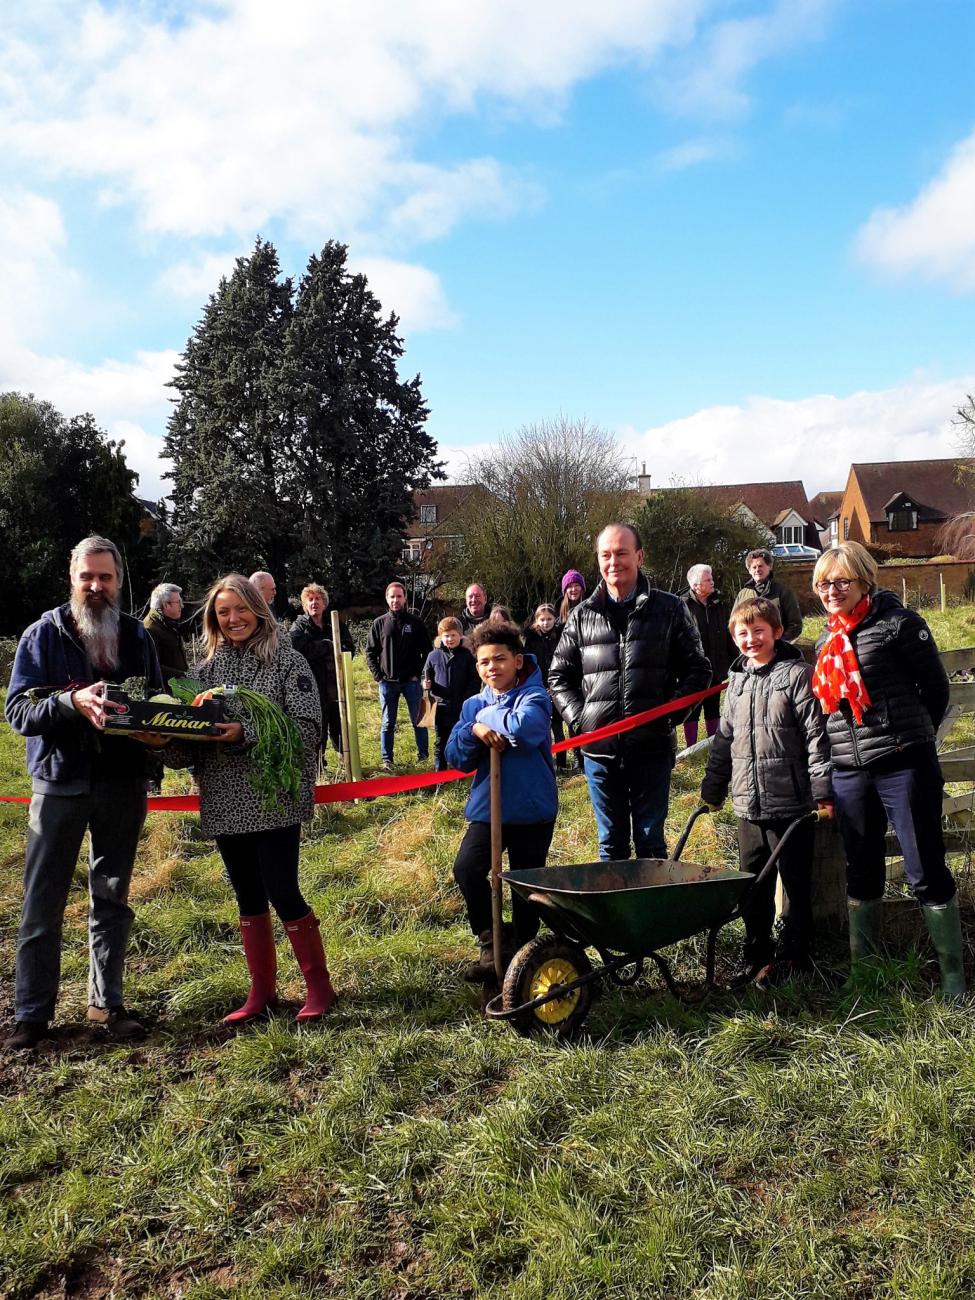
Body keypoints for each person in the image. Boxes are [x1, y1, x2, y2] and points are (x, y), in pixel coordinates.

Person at [3, 536, 164, 1052]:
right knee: (42, 902)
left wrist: (158, 734)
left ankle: (107, 1003)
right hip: (59, 782)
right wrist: (71, 702)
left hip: (122, 784)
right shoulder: (41, 636)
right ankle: (31, 1013)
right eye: (87, 577)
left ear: (119, 581)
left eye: (106, 578)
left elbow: (157, 705)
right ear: (72, 579)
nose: (96, 587)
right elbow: (19, 712)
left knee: (112, 899)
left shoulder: (138, 636)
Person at [160, 574, 334, 1024]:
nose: (233, 619)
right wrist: (160, 739)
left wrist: (245, 733)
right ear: (213, 619)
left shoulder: (287, 664)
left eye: (241, 609)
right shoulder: (200, 674)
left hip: (272, 796)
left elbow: (307, 731)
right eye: (223, 612)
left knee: (282, 888)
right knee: (247, 896)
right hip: (222, 798)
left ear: (258, 609)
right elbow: (185, 749)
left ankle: (319, 987)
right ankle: (262, 992)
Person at [810, 542, 965, 997]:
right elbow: (827, 713)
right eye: (823, 583)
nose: (831, 590)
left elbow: (936, 691)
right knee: (861, 867)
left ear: (864, 581)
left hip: (903, 765)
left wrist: (911, 738)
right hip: (849, 770)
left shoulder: (900, 626)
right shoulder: (825, 641)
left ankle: (953, 977)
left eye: (841, 581)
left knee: (923, 867)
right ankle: (867, 973)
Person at [549, 523, 711, 861]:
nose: (613, 562)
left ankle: (649, 913)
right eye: (605, 555)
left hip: (651, 749)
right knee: (611, 844)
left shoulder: (669, 609)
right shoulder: (581, 617)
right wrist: (582, 721)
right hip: (599, 753)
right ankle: (617, 914)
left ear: (639, 556)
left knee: (651, 842)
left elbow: (699, 670)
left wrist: (669, 716)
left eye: (621, 553)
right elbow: (558, 676)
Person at [701, 598, 833, 986]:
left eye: (759, 630)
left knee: (794, 883)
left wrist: (822, 792)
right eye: (743, 633)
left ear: (777, 631)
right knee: (753, 884)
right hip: (748, 803)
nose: (751, 639)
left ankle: (795, 955)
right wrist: (713, 787)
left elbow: (817, 737)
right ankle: (755, 951)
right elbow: (723, 740)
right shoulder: (737, 683)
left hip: (791, 802)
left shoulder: (797, 676)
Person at [445, 621, 557, 981]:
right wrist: (472, 731)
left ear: (518, 661)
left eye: (500, 659)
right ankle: (492, 940)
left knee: (526, 884)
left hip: (531, 809)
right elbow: (456, 757)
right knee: (467, 868)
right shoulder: (472, 704)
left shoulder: (536, 697)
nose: (492, 667)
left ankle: (524, 953)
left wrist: (483, 718)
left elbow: (525, 730)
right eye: (483, 662)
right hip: (488, 809)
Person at [365, 581, 432, 772]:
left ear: (405, 598)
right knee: (388, 723)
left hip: (411, 683)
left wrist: (418, 675)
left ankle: (423, 757)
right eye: (392, 596)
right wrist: (379, 676)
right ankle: (387, 760)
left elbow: (427, 652)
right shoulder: (379, 623)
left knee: (419, 721)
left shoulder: (415, 623)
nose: (395, 600)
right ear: (387, 599)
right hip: (388, 683)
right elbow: (369, 652)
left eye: (399, 596)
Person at [289, 584, 355, 765]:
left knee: (340, 726)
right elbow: (297, 650)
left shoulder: (335, 624)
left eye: (317, 599)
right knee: (317, 728)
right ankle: (318, 767)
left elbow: (349, 648)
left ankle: (346, 762)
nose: (314, 603)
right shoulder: (299, 626)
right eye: (310, 600)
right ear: (304, 605)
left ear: (324, 603)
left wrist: (335, 649)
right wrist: (326, 646)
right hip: (311, 687)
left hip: (335, 686)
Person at [681, 564, 735, 747]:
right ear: (696, 585)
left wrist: (734, 660)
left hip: (716, 666)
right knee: (692, 710)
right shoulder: (682, 605)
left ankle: (713, 744)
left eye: (711, 578)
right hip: (691, 669)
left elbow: (729, 633)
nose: (712, 582)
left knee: (713, 708)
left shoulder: (719, 603)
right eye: (708, 580)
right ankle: (691, 748)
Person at [422, 617, 480, 771]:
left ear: (460, 635)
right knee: (440, 740)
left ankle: (458, 770)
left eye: (453, 635)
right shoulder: (433, 656)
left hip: (461, 706)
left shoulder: (467, 655)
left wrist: (466, 699)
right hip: (441, 706)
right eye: (446, 635)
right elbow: (426, 675)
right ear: (440, 637)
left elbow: (475, 680)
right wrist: (426, 683)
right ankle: (440, 773)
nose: (450, 639)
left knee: (460, 739)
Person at [523, 603, 570, 773]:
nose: (545, 623)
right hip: (538, 687)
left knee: (558, 729)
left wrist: (555, 685)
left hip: (556, 687)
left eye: (549, 619)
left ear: (554, 619)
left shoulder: (559, 636)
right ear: (536, 621)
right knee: (542, 731)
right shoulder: (531, 639)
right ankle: (545, 763)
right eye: (542, 619)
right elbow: (528, 664)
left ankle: (563, 764)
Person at [734, 549, 803, 642]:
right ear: (749, 570)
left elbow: (795, 624)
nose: (757, 570)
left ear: (769, 567)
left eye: (760, 566)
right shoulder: (743, 595)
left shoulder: (783, 592)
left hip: (778, 652)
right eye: (754, 567)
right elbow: (734, 623)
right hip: (751, 649)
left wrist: (779, 644)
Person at [143, 583, 189, 684]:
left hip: (175, 688)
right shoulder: (150, 628)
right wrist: (186, 677)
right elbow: (153, 667)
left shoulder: (167, 624)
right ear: (166, 605)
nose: (182, 605)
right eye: (178, 602)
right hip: (163, 694)